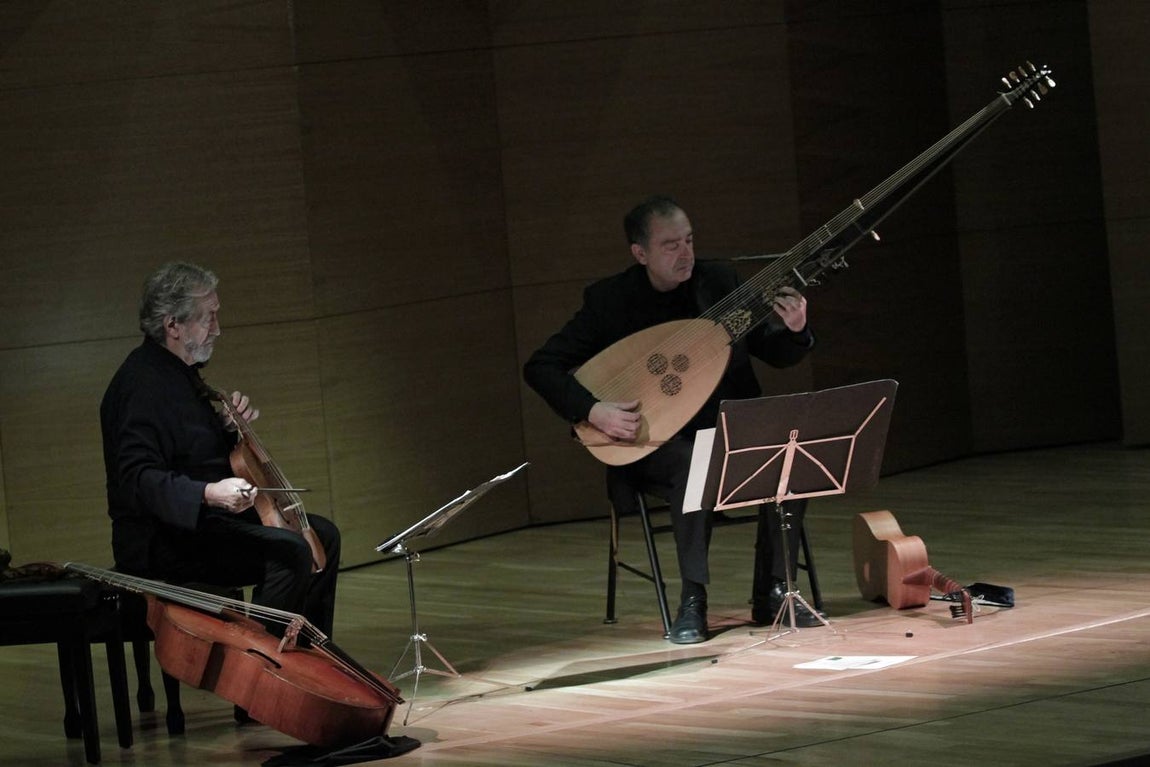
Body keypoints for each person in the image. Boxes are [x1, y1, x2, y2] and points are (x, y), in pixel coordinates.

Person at [523, 195, 820, 644]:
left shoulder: (719, 283)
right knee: (692, 465)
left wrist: (795, 330)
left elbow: (770, 351)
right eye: (670, 245)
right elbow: (541, 366)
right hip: (656, 443)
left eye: (689, 240)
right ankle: (693, 600)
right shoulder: (610, 302)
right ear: (640, 253)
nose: (685, 253)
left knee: (790, 457)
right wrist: (593, 410)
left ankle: (775, 592)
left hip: (729, 432)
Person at [100, 262, 341, 637]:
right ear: (173, 325)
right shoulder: (141, 384)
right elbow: (137, 478)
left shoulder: (179, 373)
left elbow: (192, 451)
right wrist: (210, 493)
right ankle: (259, 677)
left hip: (201, 526)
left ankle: (310, 657)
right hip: (163, 540)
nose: (218, 328)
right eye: (208, 318)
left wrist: (229, 429)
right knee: (289, 550)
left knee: (321, 536)